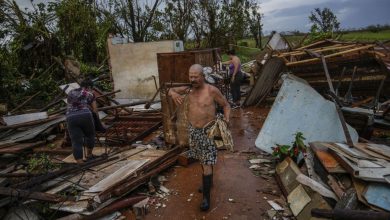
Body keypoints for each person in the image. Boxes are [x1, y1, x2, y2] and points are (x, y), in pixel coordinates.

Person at [168, 64, 231, 211]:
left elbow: (226, 105)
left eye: (196, 76)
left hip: (208, 132)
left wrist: (227, 120)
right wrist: (173, 94)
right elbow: (170, 90)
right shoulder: (188, 89)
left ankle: (206, 199)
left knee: (206, 162)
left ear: (203, 76)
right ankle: (209, 183)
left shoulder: (212, 91)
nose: (193, 79)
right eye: (191, 76)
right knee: (202, 159)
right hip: (193, 131)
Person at [66, 78, 97, 164]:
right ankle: (89, 155)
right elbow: (94, 110)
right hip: (85, 115)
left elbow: (69, 106)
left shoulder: (71, 92)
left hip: (70, 117)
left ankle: (79, 161)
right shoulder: (90, 93)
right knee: (90, 135)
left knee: (76, 140)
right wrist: (97, 121)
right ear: (90, 87)